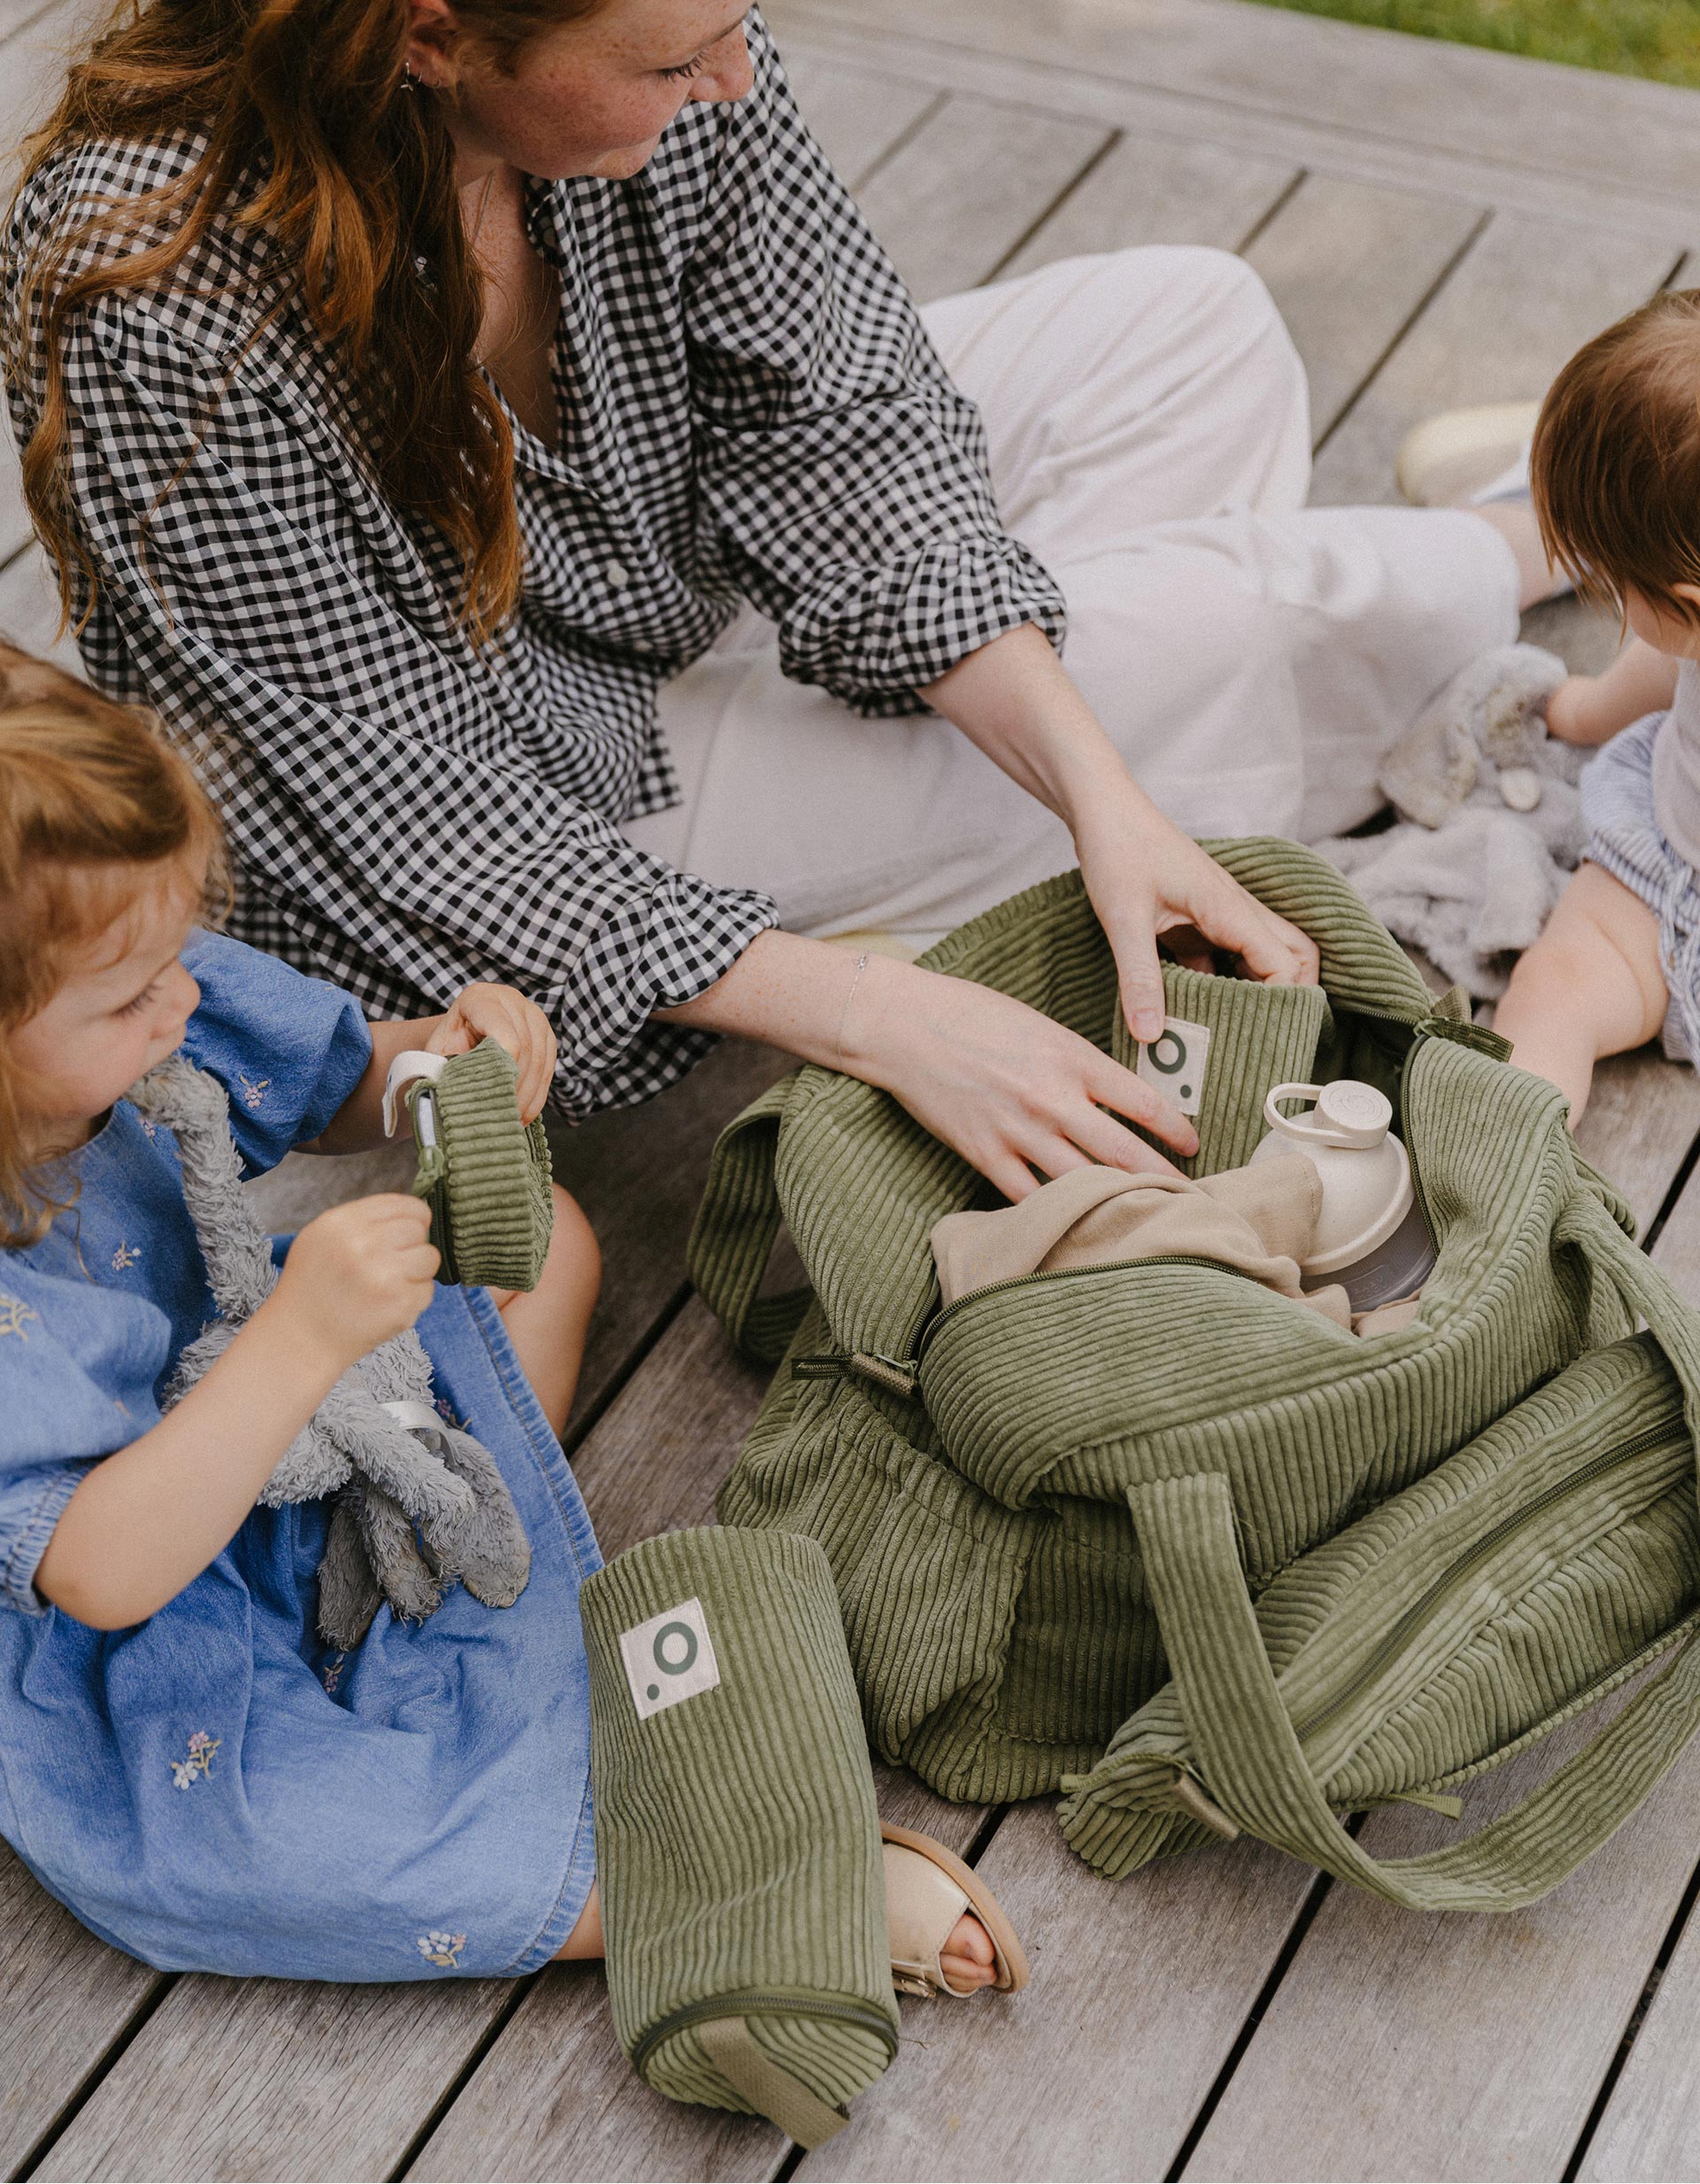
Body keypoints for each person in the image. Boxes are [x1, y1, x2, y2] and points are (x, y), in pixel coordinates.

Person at [3, 0, 1558, 1205]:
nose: (736, 80)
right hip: (525, 819)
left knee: (1195, 329)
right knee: (1220, 634)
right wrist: (880, 1020)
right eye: (676, 59)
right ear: (430, 35)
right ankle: (1552, 542)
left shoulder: (673, 50)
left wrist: (1094, 793)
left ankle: (1039, 832)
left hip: (671, 580)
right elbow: (388, 819)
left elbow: (845, 415)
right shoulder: (154, 295)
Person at [0, 643, 1012, 1991]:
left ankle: (467, 1633)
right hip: (126, 1633)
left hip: (259, 1384)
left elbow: (346, 1074)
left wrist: (442, 1060)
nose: (180, 1000)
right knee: (277, 1845)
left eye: (177, 952)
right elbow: (97, 1568)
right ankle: (727, 1876)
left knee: (547, 1248)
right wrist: (302, 1343)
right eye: (130, 999)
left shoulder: (144, 972)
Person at [1485, 292, 1700, 1122]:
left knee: (1557, 987)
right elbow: (1666, 663)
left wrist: (1573, 711)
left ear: (1685, 603)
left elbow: (1664, 661)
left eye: (1617, 587)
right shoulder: (1690, 623)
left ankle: (1504, 1166)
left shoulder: (1687, 628)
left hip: (1673, 893)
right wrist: (1582, 710)